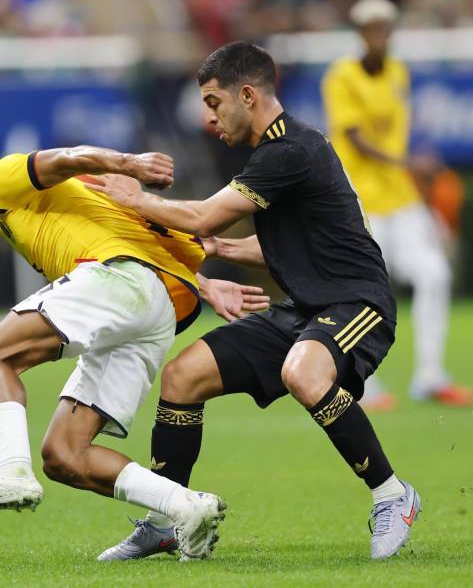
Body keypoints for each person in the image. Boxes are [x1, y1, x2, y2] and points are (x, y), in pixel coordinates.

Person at [88, 42, 419, 561]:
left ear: (247, 94)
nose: (208, 117)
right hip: (305, 309)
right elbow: (284, 247)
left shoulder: (291, 150)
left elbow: (201, 217)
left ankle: (393, 496)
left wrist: (137, 199)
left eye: (214, 102)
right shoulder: (279, 155)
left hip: (359, 304)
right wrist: (219, 249)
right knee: (182, 378)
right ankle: (166, 521)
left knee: (304, 374)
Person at [0, 137, 271, 560]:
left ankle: (12, 472)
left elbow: (66, 156)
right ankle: (185, 508)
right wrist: (203, 284)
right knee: (64, 454)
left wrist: (130, 163)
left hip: (118, 282)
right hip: (152, 307)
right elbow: (134, 234)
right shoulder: (28, 208)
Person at [321, 0, 472, 410]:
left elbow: (395, 134)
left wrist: (413, 172)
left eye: (384, 26)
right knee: (365, 290)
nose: (378, 34)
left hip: (399, 196)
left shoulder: (398, 73)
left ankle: (430, 376)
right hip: (360, 199)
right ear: (359, 32)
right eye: (370, 27)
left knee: (434, 274)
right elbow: (354, 138)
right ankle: (360, 380)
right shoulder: (342, 76)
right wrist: (410, 162)